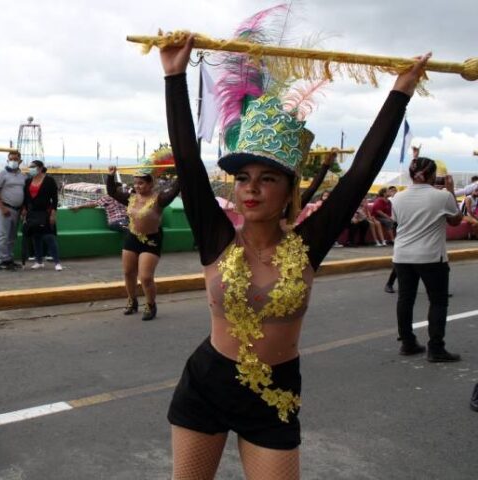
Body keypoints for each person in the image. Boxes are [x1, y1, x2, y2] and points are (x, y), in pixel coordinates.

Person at [160, 34, 427, 479]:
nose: (251, 188)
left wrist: (400, 91)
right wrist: (174, 76)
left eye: (267, 178)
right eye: (243, 177)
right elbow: (187, 161)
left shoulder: (307, 243)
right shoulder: (216, 237)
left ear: (288, 190)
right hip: (205, 385)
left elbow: (360, 173)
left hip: (276, 395)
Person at [391, 157, 462, 362]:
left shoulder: (397, 198)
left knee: (405, 299)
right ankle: (436, 348)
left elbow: (397, 223)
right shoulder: (442, 196)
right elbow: (456, 221)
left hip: (402, 256)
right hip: (431, 256)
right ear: (432, 175)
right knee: (438, 302)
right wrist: (450, 191)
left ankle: (408, 343)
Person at [106, 165, 179, 321]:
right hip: (132, 237)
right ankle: (132, 301)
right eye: (135, 183)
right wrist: (111, 175)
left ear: (150, 183)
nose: (137, 186)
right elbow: (112, 192)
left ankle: (151, 304)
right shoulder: (131, 198)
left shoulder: (159, 199)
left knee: (145, 277)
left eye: (141, 183)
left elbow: (174, 191)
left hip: (151, 240)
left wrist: (181, 172)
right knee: (128, 272)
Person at [23, 160, 63, 271]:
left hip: (46, 213)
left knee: (49, 237)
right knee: (36, 238)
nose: (30, 168)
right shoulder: (28, 181)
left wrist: (53, 214)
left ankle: (57, 262)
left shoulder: (49, 180)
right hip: (32, 214)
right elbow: (26, 198)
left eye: (33, 166)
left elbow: (54, 199)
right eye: (30, 166)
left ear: (40, 168)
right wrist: (24, 210)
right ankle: (38, 261)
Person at [0, 151, 25, 271]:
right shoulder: (1, 173)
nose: (13, 161)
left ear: (20, 161)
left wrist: (23, 209)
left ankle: (9, 259)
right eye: (11, 159)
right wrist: (2, 208)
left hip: (17, 210)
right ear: (7, 160)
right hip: (4, 209)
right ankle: (2, 261)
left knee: (11, 236)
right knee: (2, 236)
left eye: (15, 159)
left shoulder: (22, 175)